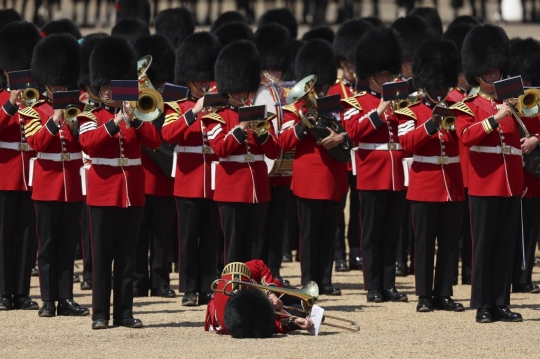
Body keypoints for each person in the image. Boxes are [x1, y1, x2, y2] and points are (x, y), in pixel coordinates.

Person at [78, 36, 161, 329]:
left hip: (132, 192)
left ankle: (124, 313)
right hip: (103, 193)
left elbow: (155, 140)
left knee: (127, 256)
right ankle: (100, 314)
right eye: (106, 87)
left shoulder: (136, 114)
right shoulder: (91, 114)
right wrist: (115, 122)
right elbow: (89, 143)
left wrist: (134, 119)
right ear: (100, 89)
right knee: (102, 258)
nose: (110, 91)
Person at [454, 24, 523, 323]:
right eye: (490, 72)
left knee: (504, 246)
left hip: (510, 183)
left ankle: (500, 302)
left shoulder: (513, 103)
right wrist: (496, 118)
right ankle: (482, 303)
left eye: (498, 71)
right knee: (483, 246)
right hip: (484, 183)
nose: (495, 77)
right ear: (477, 73)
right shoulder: (469, 106)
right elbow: (466, 137)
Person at [19, 33, 89, 318]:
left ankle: (66, 298)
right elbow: (36, 143)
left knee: (67, 245)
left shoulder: (79, 109)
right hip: (47, 184)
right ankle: (48, 299)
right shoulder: (33, 110)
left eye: (63, 80)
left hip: (71, 184)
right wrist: (55, 119)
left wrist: (73, 125)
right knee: (47, 244)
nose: (59, 85)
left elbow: (86, 143)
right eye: (55, 80)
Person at [395, 38, 465, 313]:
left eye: (442, 84)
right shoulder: (411, 109)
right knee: (424, 243)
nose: (439, 89)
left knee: (448, 243)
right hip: (425, 182)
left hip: (452, 182)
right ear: (425, 83)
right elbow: (407, 143)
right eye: (435, 84)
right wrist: (430, 125)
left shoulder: (459, 107)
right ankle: (424, 295)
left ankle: (444, 293)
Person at [278, 39, 352, 296]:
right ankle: (310, 281)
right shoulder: (295, 109)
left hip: (334, 175)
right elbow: (284, 141)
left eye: (321, 85)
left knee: (329, 232)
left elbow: (350, 131)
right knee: (309, 235)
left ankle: (326, 280)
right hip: (310, 177)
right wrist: (302, 125)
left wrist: (341, 136)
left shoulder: (336, 105)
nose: (319, 90)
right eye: (316, 86)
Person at [341, 26, 408, 303]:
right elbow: (354, 132)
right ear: (371, 76)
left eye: (389, 73)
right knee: (371, 234)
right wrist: (380, 111)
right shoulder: (357, 102)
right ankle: (373, 286)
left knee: (392, 233)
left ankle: (389, 284)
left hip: (396, 174)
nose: (387, 78)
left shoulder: (401, 100)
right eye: (382, 74)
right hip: (371, 173)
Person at [201, 40, 280, 265]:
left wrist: (261, 132)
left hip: (257, 187)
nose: (241, 93)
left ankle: (252, 290)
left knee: (254, 245)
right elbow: (220, 149)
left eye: (245, 87)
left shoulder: (261, 114)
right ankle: (234, 289)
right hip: (232, 188)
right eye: (237, 88)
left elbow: (274, 151)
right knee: (234, 246)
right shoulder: (217, 115)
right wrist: (242, 128)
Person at [162, 31, 221, 306]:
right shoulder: (178, 105)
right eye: (199, 79)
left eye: (206, 78)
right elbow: (168, 134)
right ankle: (188, 288)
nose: (203, 83)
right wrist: (194, 111)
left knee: (211, 236)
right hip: (188, 177)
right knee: (187, 238)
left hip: (213, 178)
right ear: (188, 79)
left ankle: (208, 285)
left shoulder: (218, 105)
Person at [132, 34, 177, 299]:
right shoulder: (134, 96)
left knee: (161, 234)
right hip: (141, 172)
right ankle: (138, 281)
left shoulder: (169, 96)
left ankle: (160, 281)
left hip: (162, 175)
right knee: (138, 234)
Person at [0, 20, 41, 311]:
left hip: (30, 175)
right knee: (4, 236)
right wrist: (10, 105)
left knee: (28, 236)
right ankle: (3, 292)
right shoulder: (3, 98)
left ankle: (22, 291)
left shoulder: (35, 99)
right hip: (4, 174)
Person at [329, 19, 373, 273]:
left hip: (362, 156)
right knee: (336, 207)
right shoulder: (335, 91)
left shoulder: (367, 92)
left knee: (358, 207)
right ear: (342, 63)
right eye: (350, 63)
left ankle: (356, 250)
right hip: (340, 156)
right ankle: (339, 254)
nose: (353, 69)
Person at [252, 23, 293, 286]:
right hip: (262, 165)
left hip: (282, 167)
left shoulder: (285, 93)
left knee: (277, 226)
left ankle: (274, 273)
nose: (276, 73)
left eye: (279, 69)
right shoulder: (256, 93)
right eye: (272, 68)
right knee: (260, 227)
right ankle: (258, 273)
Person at [442, 23, 478, 286]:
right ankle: (454, 274)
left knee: (472, 228)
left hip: (474, 167)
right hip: (458, 167)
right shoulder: (451, 98)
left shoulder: (472, 98)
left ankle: (469, 271)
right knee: (455, 229)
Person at [508, 37, 540, 294]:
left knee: (529, 228)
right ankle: (510, 276)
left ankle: (524, 277)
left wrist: (536, 139)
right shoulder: (507, 101)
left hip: (533, 173)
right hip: (512, 171)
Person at [205, 260, 313, 336]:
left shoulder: (237, 276)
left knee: (287, 295)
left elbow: (259, 265)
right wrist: (292, 323)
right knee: (299, 311)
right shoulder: (233, 325)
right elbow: (270, 326)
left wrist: (271, 294)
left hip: (264, 290)